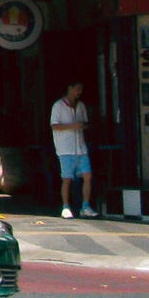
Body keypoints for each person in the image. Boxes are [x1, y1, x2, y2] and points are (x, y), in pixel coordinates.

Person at [51, 81, 96, 220]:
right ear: (69, 88)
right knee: (67, 178)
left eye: (81, 90)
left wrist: (83, 126)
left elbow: (85, 122)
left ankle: (85, 206)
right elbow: (54, 126)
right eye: (77, 89)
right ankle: (65, 206)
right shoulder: (58, 106)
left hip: (81, 147)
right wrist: (72, 126)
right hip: (66, 149)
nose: (79, 92)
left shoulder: (81, 106)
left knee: (88, 176)